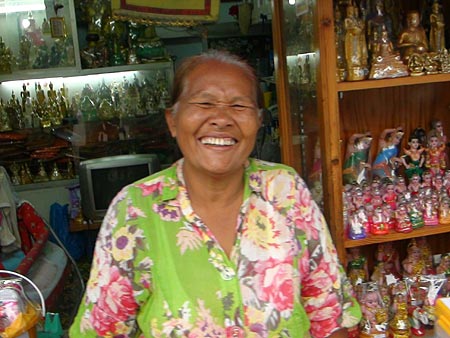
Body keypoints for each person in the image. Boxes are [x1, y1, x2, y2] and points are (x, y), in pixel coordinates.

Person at [69, 50, 361, 337]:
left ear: (258, 122)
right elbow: (101, 329)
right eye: (205, 102)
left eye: (239, 106)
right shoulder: (135, 210)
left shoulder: (285, 190)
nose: (221, 119)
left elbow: (329, 312)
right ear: (172, 120)